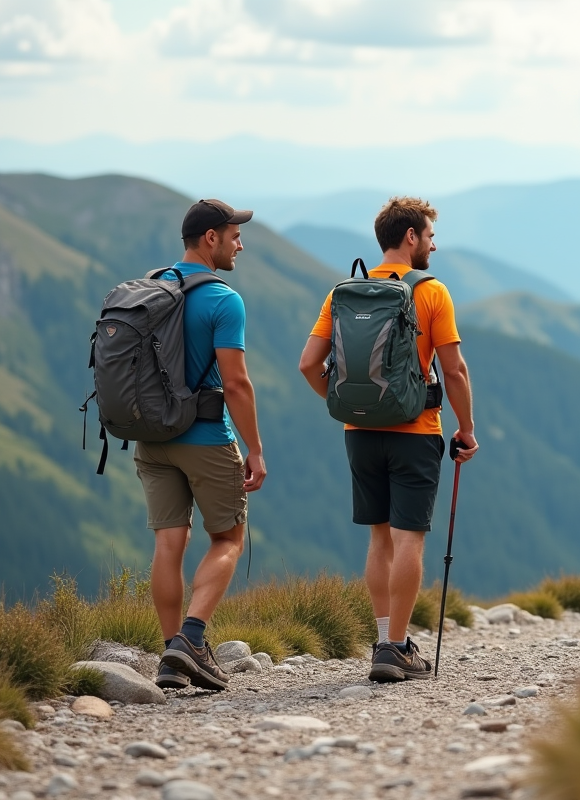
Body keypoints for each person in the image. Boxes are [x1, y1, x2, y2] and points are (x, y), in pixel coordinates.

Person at [299, 196, 478, 682]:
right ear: (410, 238)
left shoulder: (344, 293)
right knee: (409, 540)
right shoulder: (431, 292)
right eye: (430, 236)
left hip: (359, 432)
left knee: (379, 538)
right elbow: (455, 369)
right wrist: (466, 427)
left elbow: (308, 365)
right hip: (415, 431)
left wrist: (343, 406)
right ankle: (396, 648)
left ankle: (383, 639)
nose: (434, 246)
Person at [146, 199, 268, 691]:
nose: (240, 242)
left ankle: (170, 655)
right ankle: (191, 641)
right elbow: (236, 384)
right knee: (228, 539)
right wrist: (254, 449)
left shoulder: (153, 286)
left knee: (168, 542)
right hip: (205, 435)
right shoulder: (223, 299)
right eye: (233, 233)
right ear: (210, 239)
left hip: (152, 437)